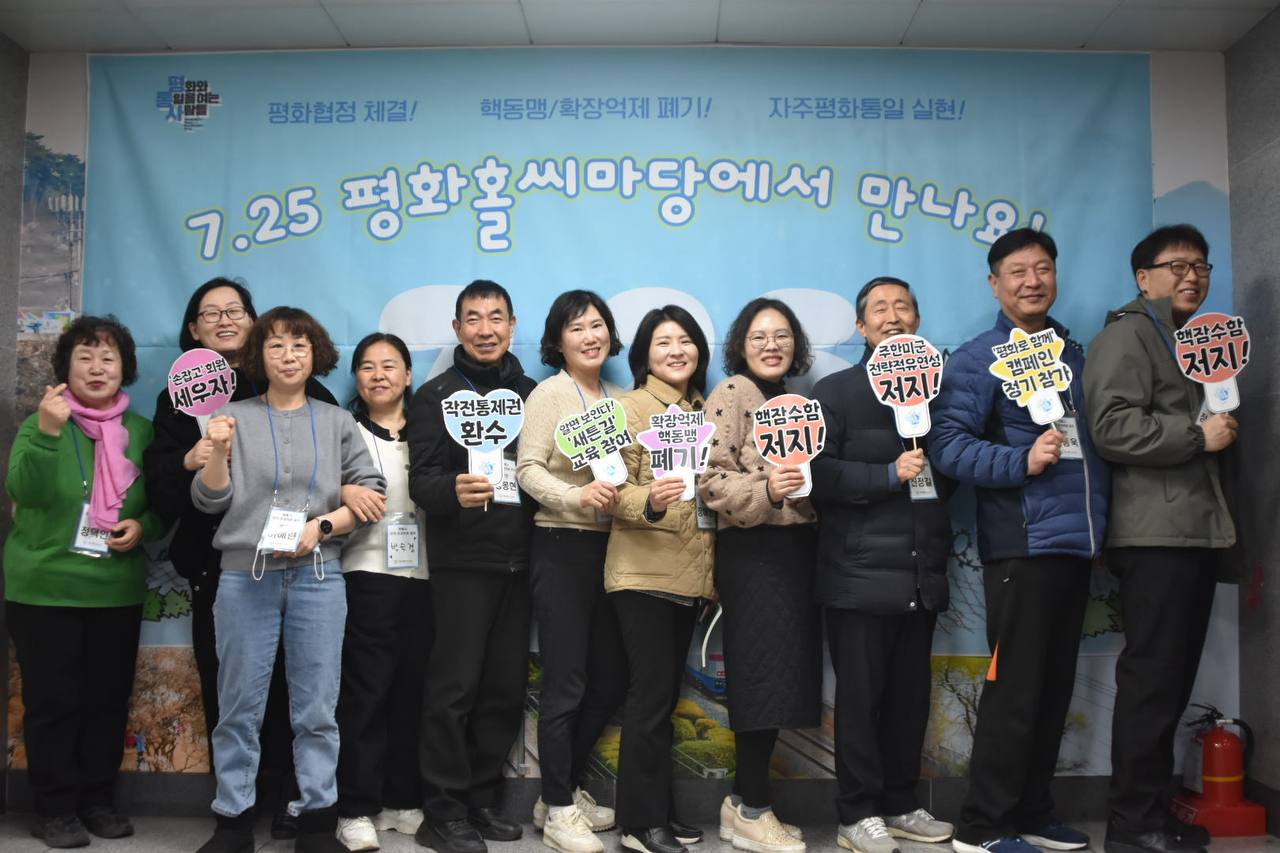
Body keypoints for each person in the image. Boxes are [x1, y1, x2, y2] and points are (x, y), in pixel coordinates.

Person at [145, 277, 349, 840]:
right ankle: (235, 810)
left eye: (235, 310)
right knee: (233, 690)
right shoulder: (180, 398)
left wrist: (339, 509)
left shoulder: (310, 397)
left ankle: (293, 802)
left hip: (305, 565)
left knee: (303, 693)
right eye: (211, 313)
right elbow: (164, 489)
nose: (225, 320)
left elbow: (344, 477)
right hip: (223, 566)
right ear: (194, 329)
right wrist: (196, 458)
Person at [931, 229, 1109, 853]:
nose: (1032, 281)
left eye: (1043, 269)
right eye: (1017, 271)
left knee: (1053, 689)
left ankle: (1033, 811)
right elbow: (947, 447)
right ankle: (983, 825)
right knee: (1015, 691)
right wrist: (1020, 460)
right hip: (1022, 546)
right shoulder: (978, 358)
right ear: (995, 284)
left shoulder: (1072, 353)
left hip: (1076, 546)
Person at [191, 307, 385, 853]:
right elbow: (208, 500)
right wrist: (219, 450)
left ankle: (317, 820)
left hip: (318, 575)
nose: (288, 355)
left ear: (315, 353)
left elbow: (371, 493)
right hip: (244, 577)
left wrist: (321, 526)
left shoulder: (337, 421)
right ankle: (232, 821)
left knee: (317, 708)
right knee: (238, 706)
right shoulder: (232, 417)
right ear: (259, 355)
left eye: (299, 345)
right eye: (275, 345)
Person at [1084, 225, 1237, 853]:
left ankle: (1149, 811)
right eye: (1177, 265)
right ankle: (1131, 824)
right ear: (1143, 278)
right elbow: (1112, 427)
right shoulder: (1128, 335)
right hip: (1154, 536)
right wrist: (1199, 435)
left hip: (1190, 531)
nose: (1191, 275)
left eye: (1200, 265)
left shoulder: (1194, 341)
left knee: (1171, 682)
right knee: (1153, 682)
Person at [810, 277, 955, 853]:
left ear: (917, 320)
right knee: (860, 700)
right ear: (861, 325)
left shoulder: (939, 390)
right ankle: (856, 814)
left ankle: (900, 803)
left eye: (903, 307)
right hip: (858, 575)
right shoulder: (837, 391)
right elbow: (818, 475)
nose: (892, 316)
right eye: (880, 309)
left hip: (921, 572)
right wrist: (888, 474)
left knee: (909, 701)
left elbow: (953, 473)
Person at [5, 316, 161, 848]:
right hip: (44, 589)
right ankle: (53, 808)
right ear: (65, 367)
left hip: (114, 589)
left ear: (124, 368)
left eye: (108, 358)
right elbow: (25, 491)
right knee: (52, 703)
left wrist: (143, 527)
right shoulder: (42, 422)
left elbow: (158, 504)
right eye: (85, 357)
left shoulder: (141, 431)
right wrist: (49, 433)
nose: (97, 368)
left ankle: (97, 800)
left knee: (106, 702)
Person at [405, 280, 537, 853]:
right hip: (462, 564)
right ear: (457, 329)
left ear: (512, 325)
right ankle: (442, 811)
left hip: (522, 562)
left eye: (496, 317)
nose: (486, 329)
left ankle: (481, 799)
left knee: (504, 690)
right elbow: (421, 480)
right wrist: (451, 491)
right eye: (474, 319)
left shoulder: (532, 394)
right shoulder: (434, 396)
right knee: (453, 690)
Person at [697, 297, 819, 853]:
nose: (772, 345)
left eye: (782, 335)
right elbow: (710, 479)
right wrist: (766, 489)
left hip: (795, 553)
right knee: (760, 681)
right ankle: (752, 808)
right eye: (759, 336)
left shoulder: (798, 403)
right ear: (740, 345)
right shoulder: (732, 393)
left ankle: (741, 805)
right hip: (753, 553)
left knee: (782, 680)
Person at [517, 290, 630, 853]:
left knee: (610, 678)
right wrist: (574, 496)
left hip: (617, 550)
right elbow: (527, 469)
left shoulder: (620, 399)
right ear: (558, 340)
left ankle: (558, 791)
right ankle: (559, 810)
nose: (590, 336)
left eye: (598, 325)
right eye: (577, 327)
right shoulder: (550, 393)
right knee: (566, 682)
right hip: (561, 546)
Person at [605, 306, 716, 853]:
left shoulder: (704, 411)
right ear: (644, 355)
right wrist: (648, 499)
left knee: (664, 698)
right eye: (663, 342)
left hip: (690, 575)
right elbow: (611, 490)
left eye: (686, 340)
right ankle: (640, 824)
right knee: (649, 699)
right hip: (642, 572)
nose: (677, 350)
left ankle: (658, 813)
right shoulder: (626, 410)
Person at [335, 333, 432, 852]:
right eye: (367, 366)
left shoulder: (431, 428)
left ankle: (401, 799)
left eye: (390, 365)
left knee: (411, 693)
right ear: (356, 378)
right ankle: (354, 807)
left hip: (425, 578)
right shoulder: (344, 430)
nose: (379, 375)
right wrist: (343, 490)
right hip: (365, 573)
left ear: (408, 375)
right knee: (365, 695)